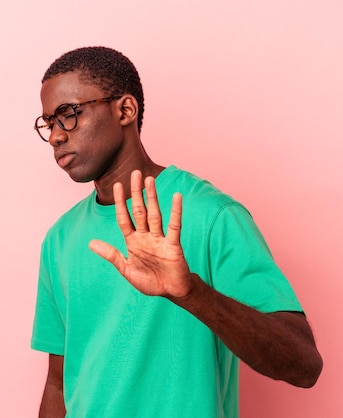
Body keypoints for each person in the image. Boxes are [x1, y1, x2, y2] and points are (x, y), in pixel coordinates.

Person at [31, 46, 323, 418]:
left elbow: (304, 366)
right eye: (48, 123)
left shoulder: (213, 215)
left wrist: (192, 293)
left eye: (68, 115)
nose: (55, 135)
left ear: (125, 110)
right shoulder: (60, 239)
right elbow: (58, 383)